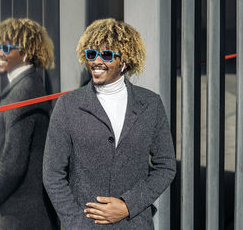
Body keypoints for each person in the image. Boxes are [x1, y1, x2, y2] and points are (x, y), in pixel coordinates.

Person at [43, 18, 176, 229]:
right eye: (91, 54)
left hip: (134, 224)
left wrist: (128, 205)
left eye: (105, 55)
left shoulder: (150, 104)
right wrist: (77, 224)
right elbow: (52, 174)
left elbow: (166, 166)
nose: (96, 61)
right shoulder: (68, 105)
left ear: (124, 61)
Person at [0, 18, 57, 229]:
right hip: (19, 210)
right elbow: (3, 130)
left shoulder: (25, 91)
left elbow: (15, 161)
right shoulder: (19, 87)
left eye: (6, 47)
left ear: (25, 52)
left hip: (25, 215)